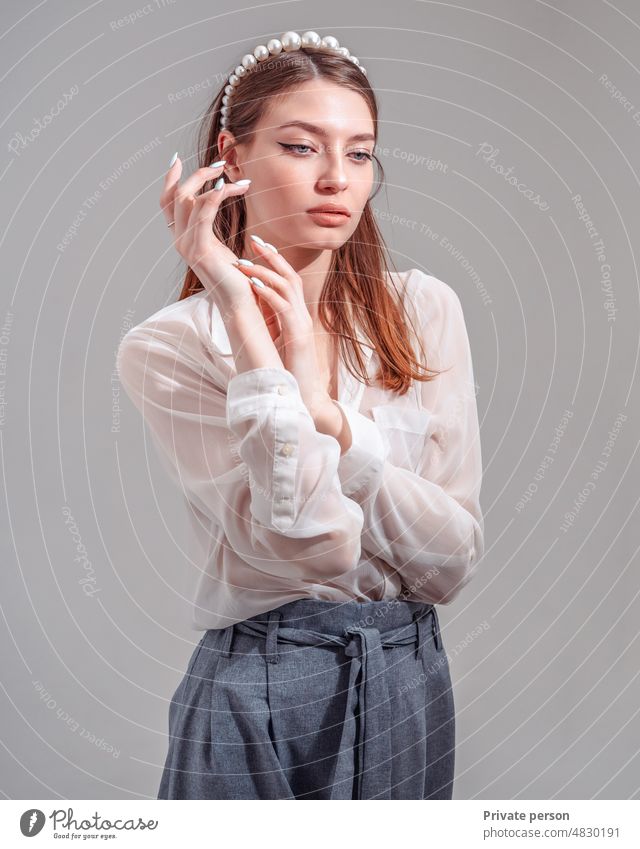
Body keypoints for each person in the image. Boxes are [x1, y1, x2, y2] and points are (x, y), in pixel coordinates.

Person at [116, 30, 484, 800]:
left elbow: (451, 562)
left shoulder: (423, 310)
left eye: (358, 153)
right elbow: (315, 544)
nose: (334, 179)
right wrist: (252, 333)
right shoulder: (169, 348)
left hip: (408, 683)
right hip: (258, 690)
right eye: (300, 146)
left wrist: (332, 418)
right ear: (234, 154)